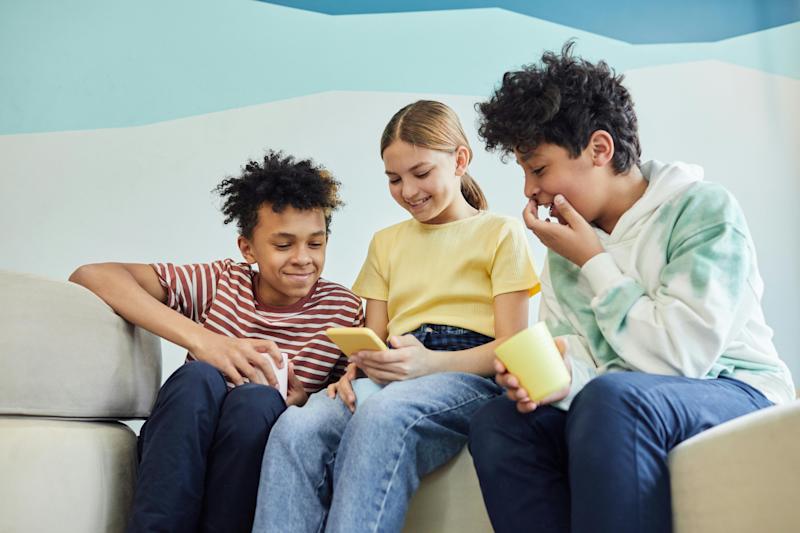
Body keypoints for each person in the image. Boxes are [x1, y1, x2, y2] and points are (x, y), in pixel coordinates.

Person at [467, 41, 796, 533]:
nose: (529, 190)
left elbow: (681, 357)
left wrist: (595, 262)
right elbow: (583, 359)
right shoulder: (567, 248)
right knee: (498, 424)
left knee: (614, 400)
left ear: (600, 149)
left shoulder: (703, 211)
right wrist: (554, 377)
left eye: (538, 169)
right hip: (621, 395)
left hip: (734, 384)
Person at [252, 100, 540, 532]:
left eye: (421, 173)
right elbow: (373, 336)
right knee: (296, 427)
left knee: (383, 415)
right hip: (392, 371)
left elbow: (513, 349)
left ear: (460, 160)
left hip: (468, 377)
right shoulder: (385, 243)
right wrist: (355, 368)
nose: (408, 190)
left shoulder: (500, 233)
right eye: (394, 179)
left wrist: (429, 363)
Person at [68, 150, 363, 533]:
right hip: (179, 456)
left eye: (315, 243)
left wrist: (304, 400)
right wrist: (208, 343)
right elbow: (91, 275)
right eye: (283, 244)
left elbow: (349, 399)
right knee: (197, 379)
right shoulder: (224, 282)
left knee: (256, 400)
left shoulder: (342, 310)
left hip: (252, 463)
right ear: (248, 248)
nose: (302, 259)